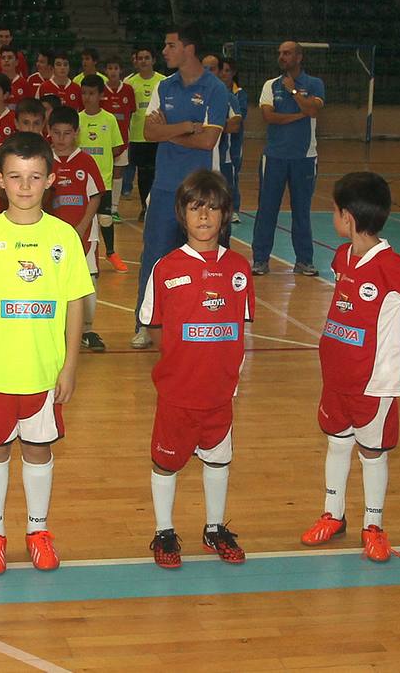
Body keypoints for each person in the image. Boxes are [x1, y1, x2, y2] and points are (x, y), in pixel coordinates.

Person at [0, 131, 94, 575]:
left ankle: (38, 531)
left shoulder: (64, 238)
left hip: (44, 373)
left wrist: (70, 366)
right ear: (0, 179)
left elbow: (75, 305)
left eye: (35, 176)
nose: (25, 185)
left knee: (38, 450)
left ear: (51, 179)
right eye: (15, 176)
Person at [301, 171, 400, 562]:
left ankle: (374, 525)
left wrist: (394, 313)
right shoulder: (342, 256)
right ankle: (333, 514)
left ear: (347, 217)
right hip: (337, 374)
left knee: (372, 452)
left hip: (374, 379)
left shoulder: (389, 264)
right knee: (337, 442)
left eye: (333, 210)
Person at [138, 170, 253, 569]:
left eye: (214, 208)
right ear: (181, 214)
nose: (204, 217)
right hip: (178, 393)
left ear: (226, 216)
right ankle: (164, 530)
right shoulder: (166, 269)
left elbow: (240, 327)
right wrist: (177, 366)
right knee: (166, 462)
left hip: (220, 393)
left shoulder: (239, 268)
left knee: (219, 459)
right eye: (195, 207)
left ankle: (214, 527)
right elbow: (153, 327)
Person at [130, 26, 229, 351]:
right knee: (155, 257)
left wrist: (167, 131)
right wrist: (186, 127)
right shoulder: (164, 86)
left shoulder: (215, 89)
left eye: (170, 45)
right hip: (163, 188)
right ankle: (145, 324)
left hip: (202, 192)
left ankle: (200, 320)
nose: (164, 50)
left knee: (202, 259)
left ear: (189, 49)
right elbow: (147, 131)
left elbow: (208, 140)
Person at [251, 41, 326, 276]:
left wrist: (293, 91)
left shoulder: (314, 84)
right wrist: (299, 115)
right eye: (280, 53)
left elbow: (313, 110)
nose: (282, 57)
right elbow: (268, 117)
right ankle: (260, 260)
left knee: (301, 211)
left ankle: (304, 260)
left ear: (299, 56)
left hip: (304, 158)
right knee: (267, 210)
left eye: (287, 53)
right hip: (274, 157)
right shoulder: (270, 85)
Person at [46, 107, 106, 352]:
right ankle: (56, 328)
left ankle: (87, 329)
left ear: (77, 133)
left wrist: (82, 226)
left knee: (88, 280)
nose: (61, 139)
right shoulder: (45, 159)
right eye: (56, 133)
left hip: (84, 233)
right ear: (48, 132)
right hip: (52, 235)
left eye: (67, 134)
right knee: (54, 281)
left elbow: (95, 196)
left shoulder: (85, 161)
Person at [77, 74, 128, 272]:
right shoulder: (77, 119)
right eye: (83, 93)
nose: (87, 97)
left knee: (105, 218)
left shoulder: (109, 119)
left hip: (103, 180)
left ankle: (111, 252)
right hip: (81, 181)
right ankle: (81, 254)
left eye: (91, 93)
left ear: (100, 95)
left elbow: (117, 148)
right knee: (83, 219)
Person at [123, 48, 165, 221]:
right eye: (140, 58)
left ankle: (158, 206)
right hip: (138, 136)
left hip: (159, 136)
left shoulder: (163, 81)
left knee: (159, 172)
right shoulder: (129, 82)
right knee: (143, 174)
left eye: (147, 58)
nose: (143, 61)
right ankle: (144, 206)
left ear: (153, 60)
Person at [100, 56, 136, 223]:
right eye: (110, 68)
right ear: (105, 71)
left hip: (122, 139)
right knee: (103, 173)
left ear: (121, 70)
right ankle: (101, 206)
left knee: (118, 172)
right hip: (102, 140)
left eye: (116, 68)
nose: (113, 71)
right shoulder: (101, 90)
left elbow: (131, 113)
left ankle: (114, 208)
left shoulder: (128, 90)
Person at [214, 56, 247, 229]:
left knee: (230, 178)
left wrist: (212, 127)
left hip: (229, 145)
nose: (223, 74)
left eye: (227, 70)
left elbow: (237, 122)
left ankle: (233, 208)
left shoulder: (236, 95)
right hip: (208, 147)